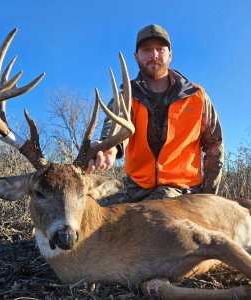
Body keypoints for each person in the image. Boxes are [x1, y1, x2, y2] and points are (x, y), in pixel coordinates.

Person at [87, 24, 224, 206]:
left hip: (181, 188)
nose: (154, 55)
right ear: (137, 56)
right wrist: (108, 150)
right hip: (136, 185)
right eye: (147, 50)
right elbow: (115, 127)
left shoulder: (197, 96)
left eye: (160, 49)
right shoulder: (127, 97)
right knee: (92, 210)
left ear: (170, 54)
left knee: (147, 216)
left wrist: (209, 198)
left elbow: (214, 146)